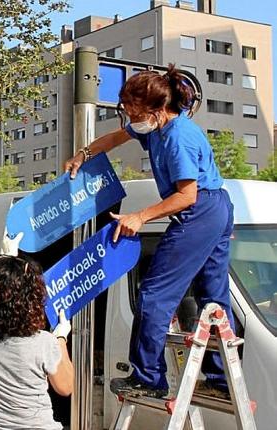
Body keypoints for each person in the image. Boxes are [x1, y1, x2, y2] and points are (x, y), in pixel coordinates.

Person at [64, 64, 235, 399]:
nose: (129, 115)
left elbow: (187, 196)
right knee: (212, 295)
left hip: (200, 209)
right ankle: (221, 377)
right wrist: (83, 155)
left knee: (155, 294)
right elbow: (115, 138)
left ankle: (148, 377)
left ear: (156, 109)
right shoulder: (155, 127)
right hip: (216, 208)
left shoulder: (177, 138)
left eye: (133, 109)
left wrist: (140, 217)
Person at [0, 234, 74, 430]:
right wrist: (60, 337)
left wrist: (5, 258)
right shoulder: (43, 343)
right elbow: (65, 387)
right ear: (32, 299)